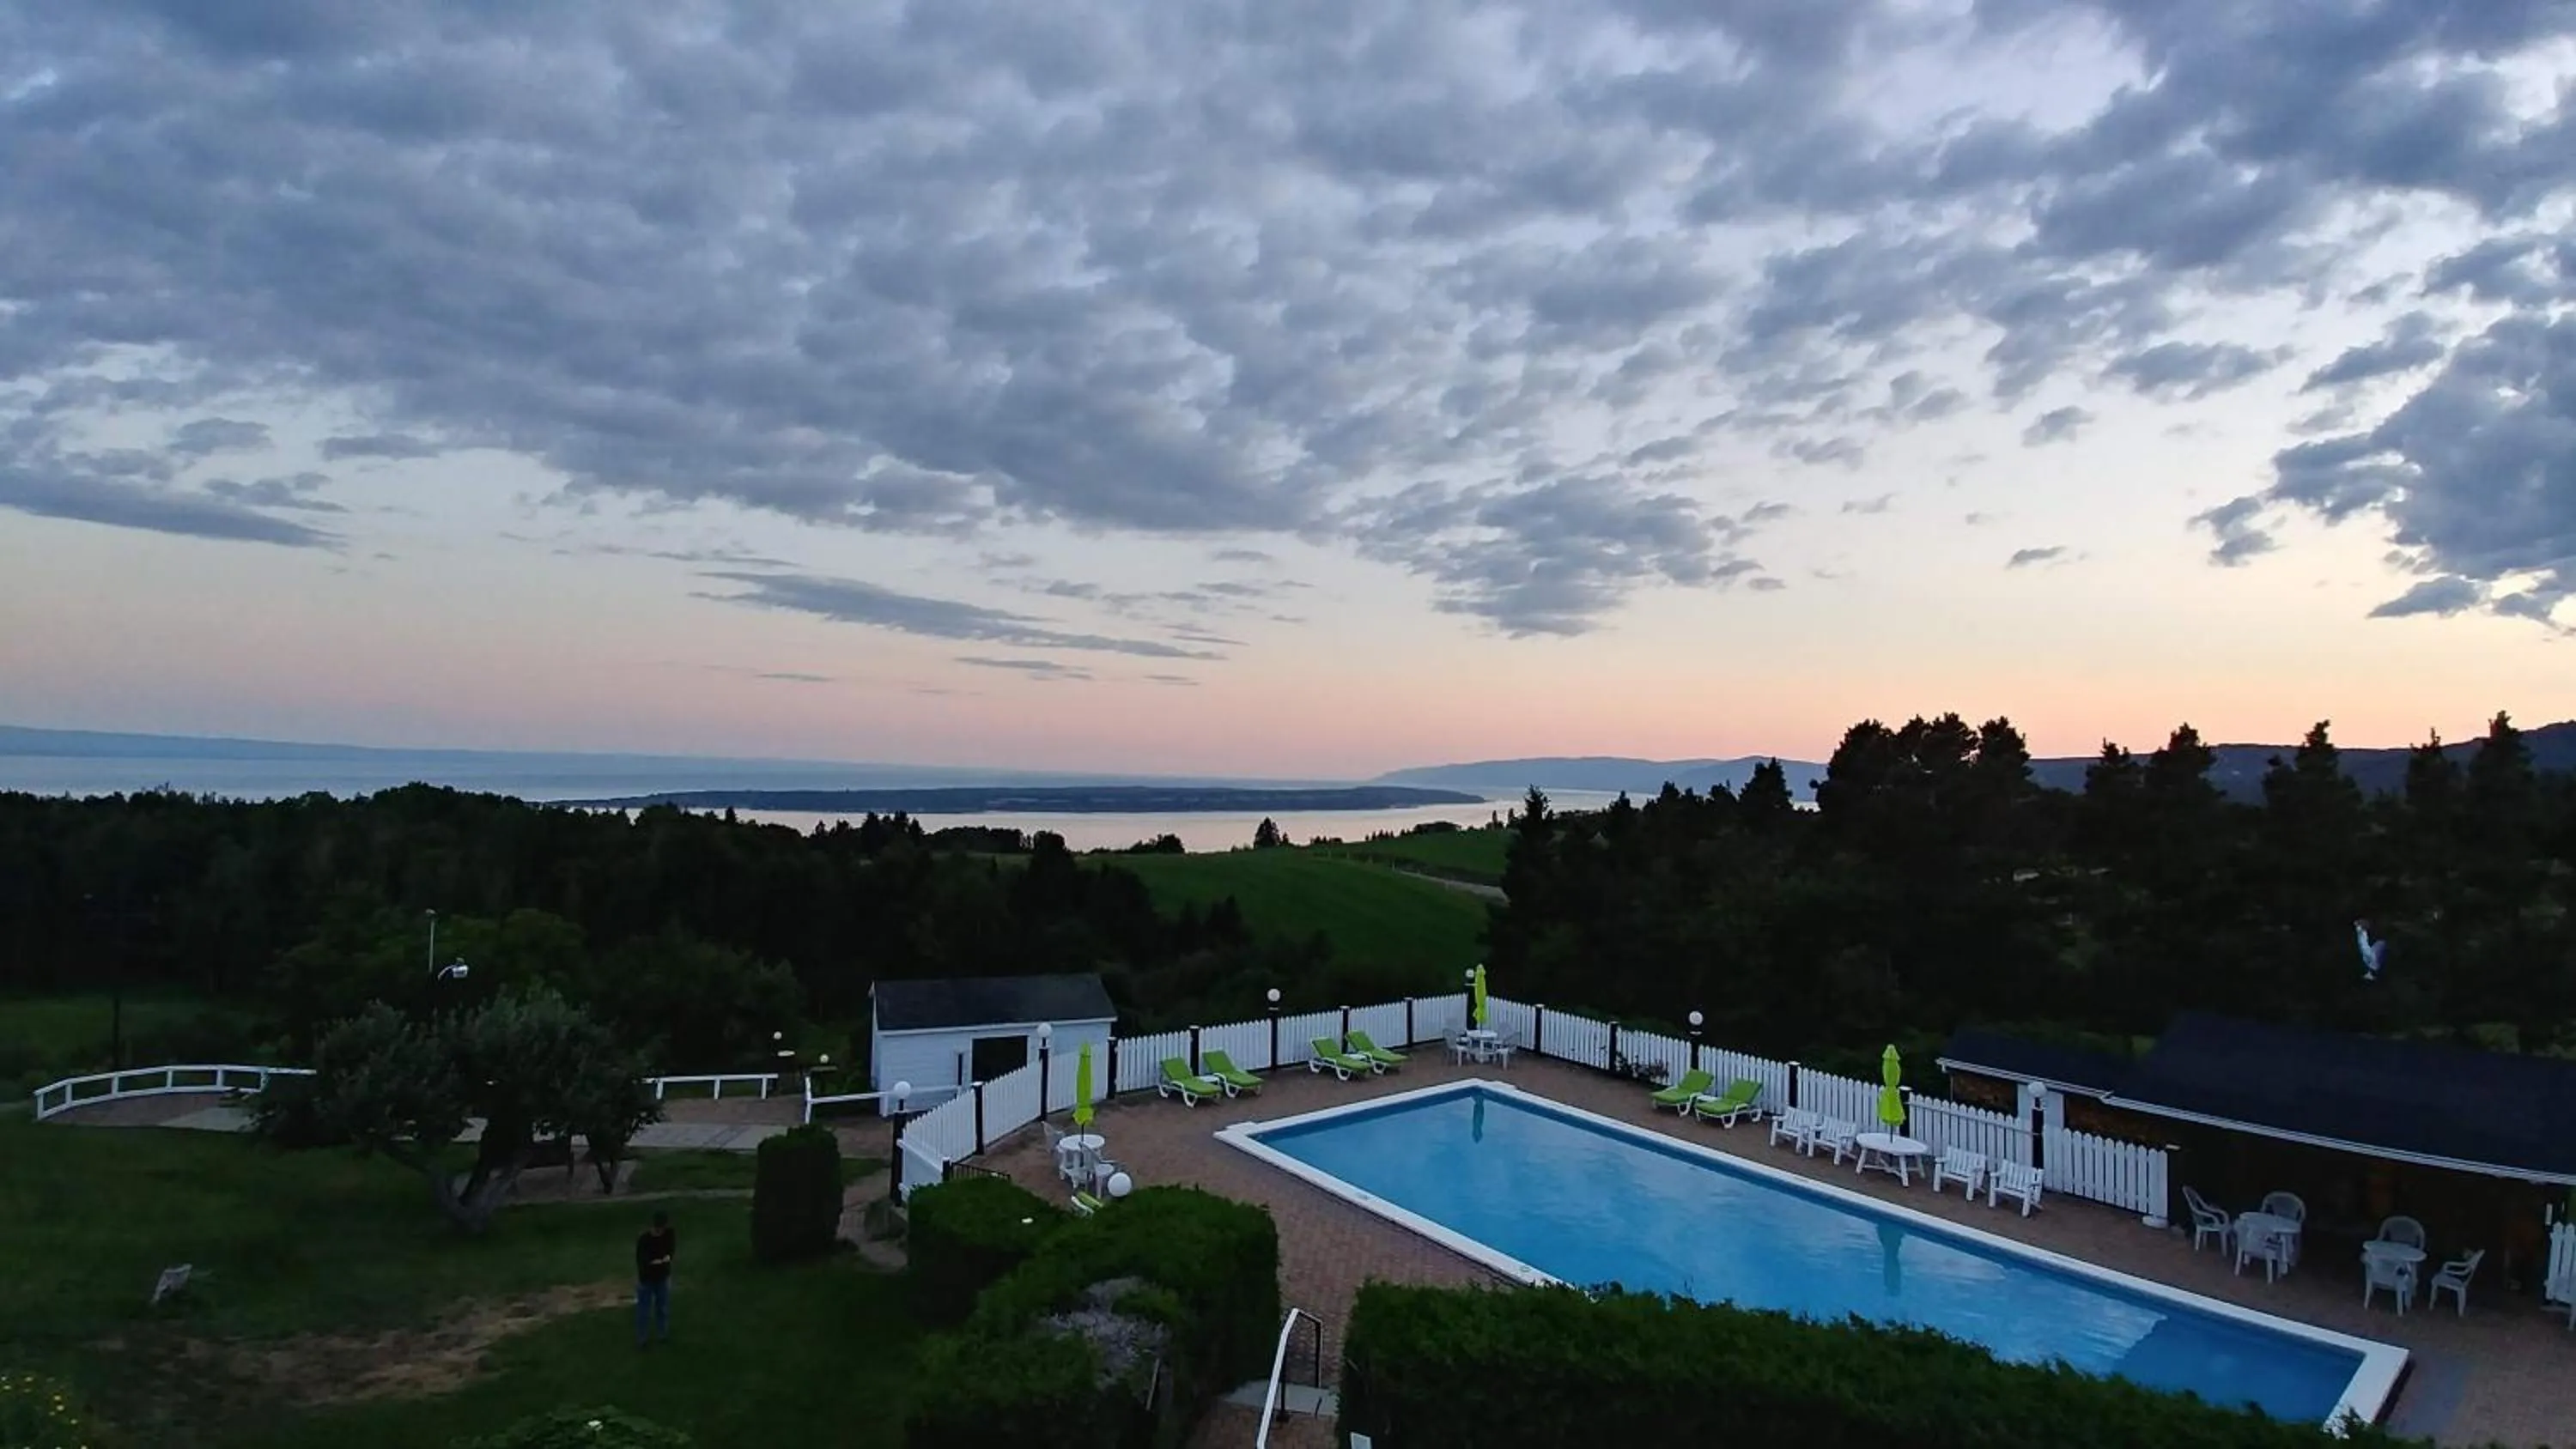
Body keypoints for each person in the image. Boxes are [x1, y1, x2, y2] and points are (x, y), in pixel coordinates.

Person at [635, 1210, 676, 1346]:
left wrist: (665, 1260)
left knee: (662, 1308)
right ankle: (642, 1339)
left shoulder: (669, 1235)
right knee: (644, 1311)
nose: (660, 1232)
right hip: (646, 1279)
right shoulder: (644, 1240)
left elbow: (671, 1251)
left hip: (662, 1277)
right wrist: (657, 1262)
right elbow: (642, 1261)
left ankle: (662, 1335)